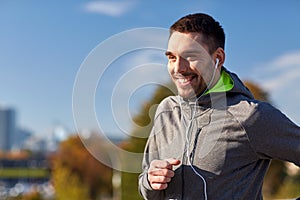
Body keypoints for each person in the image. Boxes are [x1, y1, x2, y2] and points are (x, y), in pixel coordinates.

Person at [138, 13, 300, 199]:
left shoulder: (250, 116)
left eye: (190, 56)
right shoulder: (166, 110)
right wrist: (150, 182)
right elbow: (146, 186)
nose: (178, 68)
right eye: (171, 58)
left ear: (218, 58)